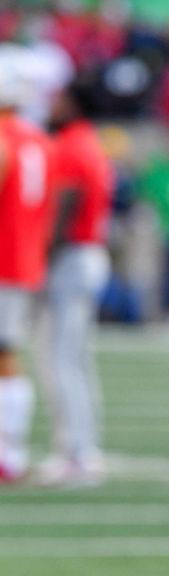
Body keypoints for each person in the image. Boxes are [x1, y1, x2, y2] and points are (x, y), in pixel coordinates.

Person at [32, 81, 114, 486]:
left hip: (70, 257)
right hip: (86, 254)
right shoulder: (90, 143)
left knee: (59, 358)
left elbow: (66, 204)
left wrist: (40, 258)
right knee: (74, 358)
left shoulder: (69, 145)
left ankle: (75, 452)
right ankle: (82, 448)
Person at [0, 44, 58, 483]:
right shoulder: (37, 139)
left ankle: (11, 453)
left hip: (5, 262)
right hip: (26, 260)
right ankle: (12, 450)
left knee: (5, 357)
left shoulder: (5, 137)